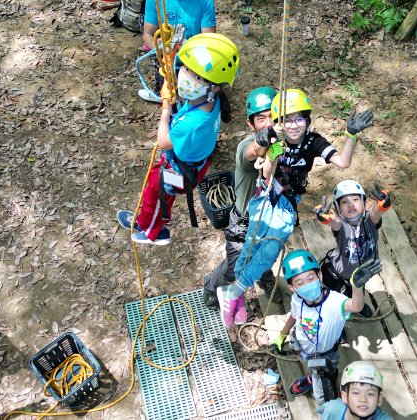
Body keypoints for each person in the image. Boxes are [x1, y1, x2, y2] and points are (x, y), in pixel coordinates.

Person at [216, 89, 374, 327]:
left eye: (299, 118)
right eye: (287, 120)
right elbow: (266, 173)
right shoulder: (273, 141)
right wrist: (272, 151)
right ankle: (232, 294)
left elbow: (343, 162)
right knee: (254, 247)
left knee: (265, 251)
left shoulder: (313, 142)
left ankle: (233, 293)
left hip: (286, 204)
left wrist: (350, 134)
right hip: (265, 198)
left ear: (307, 121)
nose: (293, 125)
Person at [117, 33, 240, 245]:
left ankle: (151, 231)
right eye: (186, 68)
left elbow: (163, 142)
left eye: (197, 76)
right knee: (162, 195)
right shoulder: (211, 101)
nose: (186, 75)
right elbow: (187, 94)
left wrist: (166, 107)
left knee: (154, 195)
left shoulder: (193, 123)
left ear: (214, 87)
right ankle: (150, 219)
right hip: (191, 166)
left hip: (179, 171)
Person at [203, 87, 282, 313]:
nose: (269, 123)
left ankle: (264, 276)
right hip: (245, 221)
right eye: (261, 118)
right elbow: (252, 151)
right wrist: (262, 142)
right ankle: (211, 286)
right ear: (251, 124)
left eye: (273, 116)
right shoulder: (245, 148)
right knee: (236, 265)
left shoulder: (286, 145)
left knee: (266, 253)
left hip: (271, 218)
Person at [270, 249, 366, 406]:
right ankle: (311, 377)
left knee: (323, 397)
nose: (307, 285)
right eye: (300, 283)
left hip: (326, 356)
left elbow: (356, 305)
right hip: (301, 347)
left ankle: (325, 383)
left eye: (311, 278)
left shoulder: (335, 302)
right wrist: (282, 335)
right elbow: (294, 316)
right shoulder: (297, 299)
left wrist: (357, 287)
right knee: (309, 367)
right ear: (292, 288)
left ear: (320, 276)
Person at [316, 180, 392, 318]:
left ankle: (356, 306)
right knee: (329, 296)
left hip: (359, 275)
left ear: (365, 203)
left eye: (356, 199)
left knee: (355, 293)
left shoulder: (370, 222)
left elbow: (375, 213)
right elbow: (335, 222)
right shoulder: (342, 226)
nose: (350, 204)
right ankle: (332, 319)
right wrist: (326, 219)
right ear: (337, 209)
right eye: (344, 202)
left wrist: (382, 206)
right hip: (336, 271)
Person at [139, 0, 217, 101]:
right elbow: (148, 35)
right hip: (166, 59)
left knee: (196, 98)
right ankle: (162, 92)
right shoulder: (156, 1)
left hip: (193, 60)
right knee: (168, 96)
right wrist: (159, 48)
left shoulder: (205, 2)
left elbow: (208, 42)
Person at [316, 361, 393, 420]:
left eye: (370, 394)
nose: (363, 399)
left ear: (379, 399)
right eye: (356, 393)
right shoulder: (331, 410)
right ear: (345, 396)